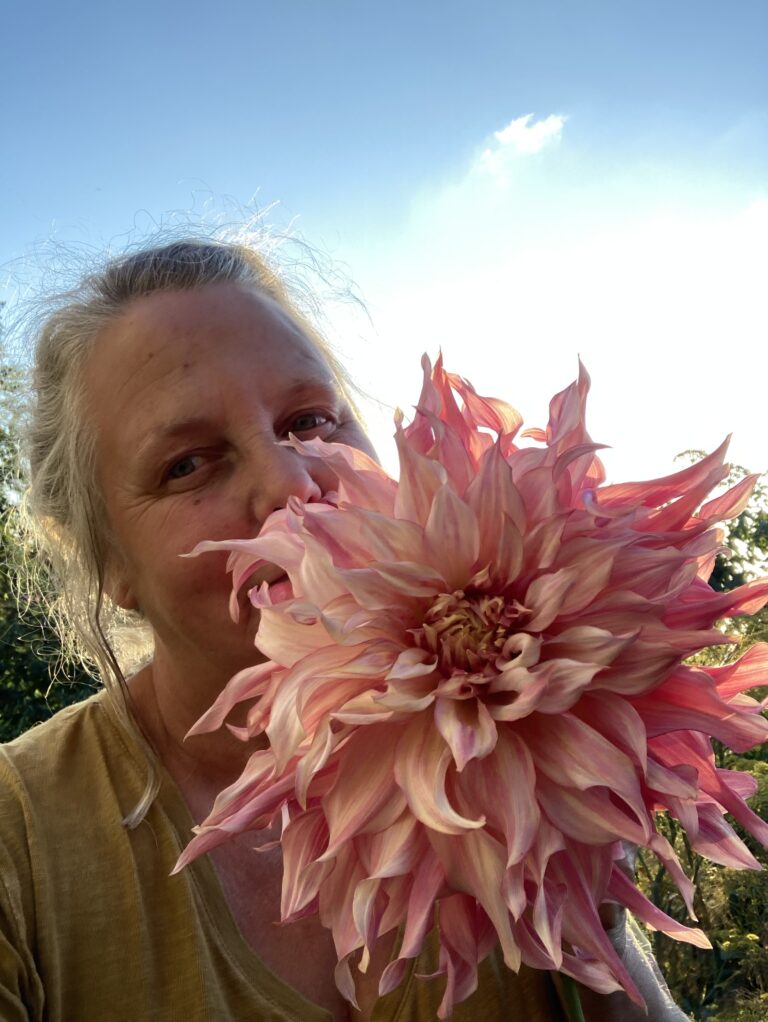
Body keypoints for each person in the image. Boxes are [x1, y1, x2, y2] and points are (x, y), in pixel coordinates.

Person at [0, 238, 688, 1021]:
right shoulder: (22, 840)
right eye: (187, 464)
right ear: (109, 563)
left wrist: (580, 900)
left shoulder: (516, 745)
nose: (293, 483)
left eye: (310, 420)